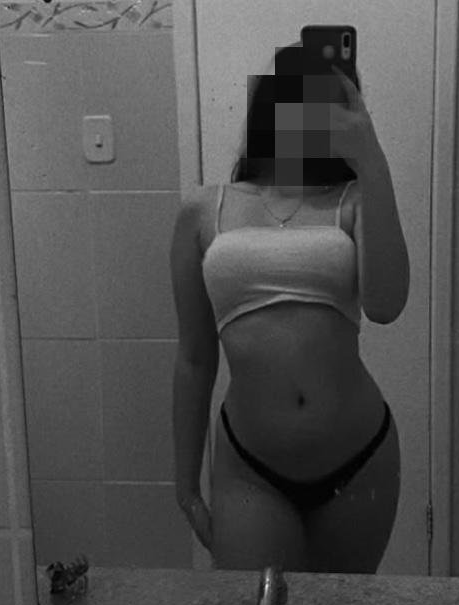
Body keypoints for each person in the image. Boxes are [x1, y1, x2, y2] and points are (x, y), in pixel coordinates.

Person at [170, 43, 409, 573]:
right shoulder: (205, 209)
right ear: (268, 104)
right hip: (249, 468)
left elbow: (386, 305)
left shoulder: (354, 199)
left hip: (360, 459)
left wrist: (370, 157)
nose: (307, 111)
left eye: (328, 100)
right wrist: (185, 485)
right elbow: (194, 357)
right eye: (293, 95)